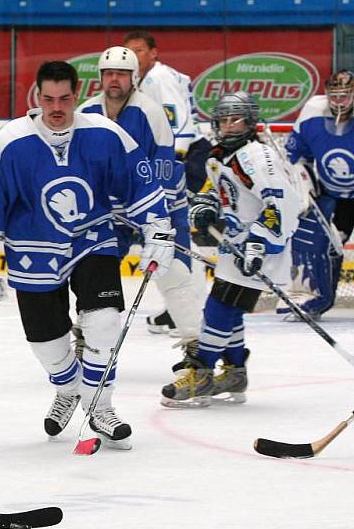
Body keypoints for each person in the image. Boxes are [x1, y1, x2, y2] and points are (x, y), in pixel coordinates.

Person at [0, 60, 175, 450]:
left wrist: (157, 227)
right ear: (37, 96)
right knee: (48, 344)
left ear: (77, 94)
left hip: (92, 239)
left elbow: (139, 183)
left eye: (65, 98)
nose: (56, 107)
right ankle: (69, 388)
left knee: (105, 324)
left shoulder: (107, 134)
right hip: (31, 249)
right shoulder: (10, 142)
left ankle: (100, 407)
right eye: (48, 98)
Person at [162, 91, 301, 407]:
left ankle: (202, 371)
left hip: (261, 251)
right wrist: (206, 203)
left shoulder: (256, 157)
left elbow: (284, 203)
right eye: (223, 119)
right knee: (230, 310)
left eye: (235, 119)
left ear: (250, 122)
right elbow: (218, 188)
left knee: (218, 308)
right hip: (235, 247)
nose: (228, 125)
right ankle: (235, 372)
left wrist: (259, 242)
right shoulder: (221, 154)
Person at [79, 46, 203, 369]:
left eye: (120, 73)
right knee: (94, 271)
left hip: (157, 207)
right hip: (111, 214)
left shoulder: (150, 111)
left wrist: (152, 220)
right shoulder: (87, 112)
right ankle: (86, 340)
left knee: (173, 273)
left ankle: (197, 348)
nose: (114, 79)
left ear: (134, 77)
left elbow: (163, 168)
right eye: (108, 73)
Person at [123, 30, 212, 335]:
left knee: (171, 235)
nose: (133, 57)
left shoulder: (156, 79)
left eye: (138, 50)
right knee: (168, 235)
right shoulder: (151, 79)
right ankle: (182, 307)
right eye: (128, 51)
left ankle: (193, 309)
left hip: (183, 158)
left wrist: (172, 166)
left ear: (153, 53)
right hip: (177, 158)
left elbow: (177, 123)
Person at [283, 69, 354, 319]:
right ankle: (314, 297)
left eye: (344, 96)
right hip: (331, 193)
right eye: (334, 96)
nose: (338, 102)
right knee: (318, 242)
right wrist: (303, 179)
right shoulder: (314, 111)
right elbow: (296, 155)